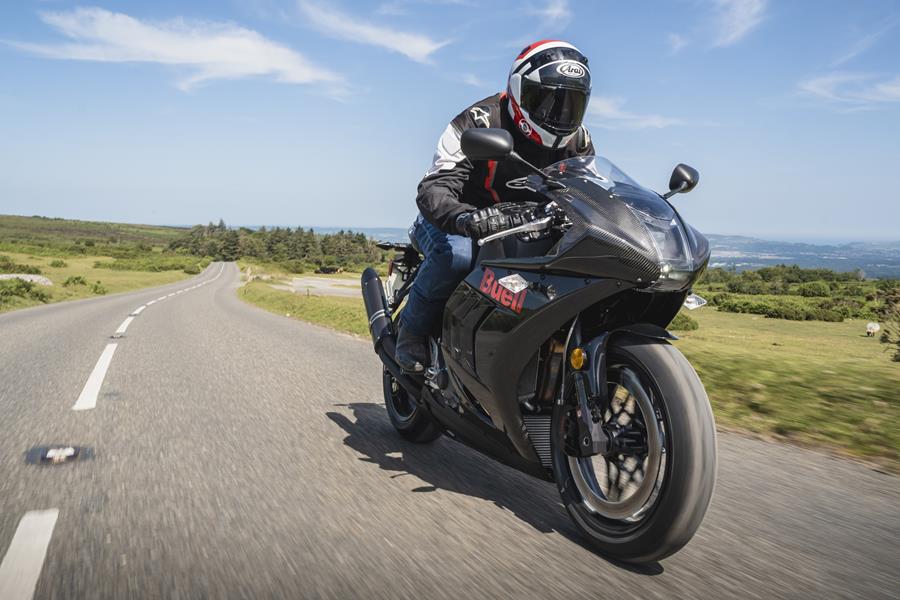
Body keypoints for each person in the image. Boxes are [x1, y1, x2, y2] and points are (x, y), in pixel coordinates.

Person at [395, 40, 595, 372]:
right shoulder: (478, 122)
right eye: (548, 100)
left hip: (523, 226)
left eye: (570, 103)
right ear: (520, 92)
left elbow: (589, 189)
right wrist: (465, 219)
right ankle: (410, 333)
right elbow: (434, 187)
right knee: (458, 256)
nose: (559, 113)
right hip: (457, 219)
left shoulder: (579, 140)